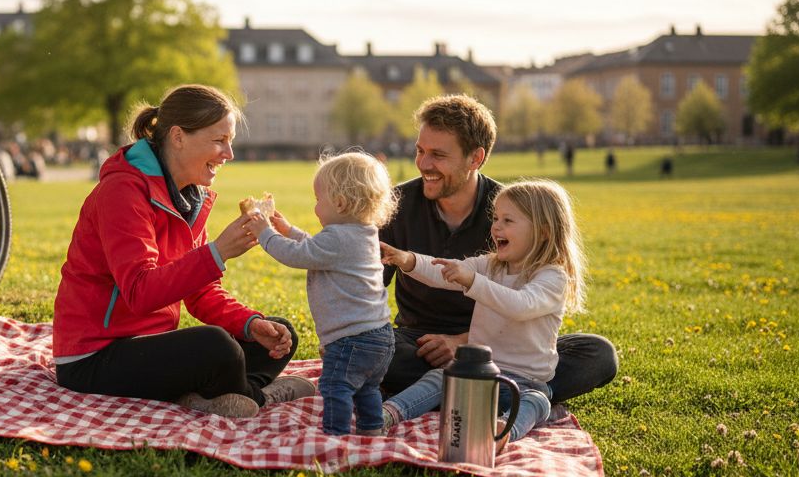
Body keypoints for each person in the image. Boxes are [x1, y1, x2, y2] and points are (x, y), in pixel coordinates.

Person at [53, 84, 315, 418]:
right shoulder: (122, 191)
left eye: (230, 141)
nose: (229, 154)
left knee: (277, 334)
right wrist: (217, 253)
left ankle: (204, 397)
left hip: (147, 347)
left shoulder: (189, 197)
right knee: (217, 347)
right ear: (178, 137)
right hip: (92, 357)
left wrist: (249, 324)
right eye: (219, 141)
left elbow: (200, 294)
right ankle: (260, 397)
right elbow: (139, 291)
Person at [378, 94, 617, 413]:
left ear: (475, 158)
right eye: (420, 151)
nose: (424, 164)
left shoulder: (511, 215)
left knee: (598, 353)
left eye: (438, 155)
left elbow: (528, 303)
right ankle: (511, 397)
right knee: (376, 348)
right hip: (418, 342)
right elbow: (369, 283)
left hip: (501, 346)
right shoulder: (395, 205)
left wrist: (464, 341)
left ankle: (494, 391)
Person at [379, 180, 585, 444]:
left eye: (508, 220)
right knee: (440, 378)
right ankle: (388, 413)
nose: (496, 226)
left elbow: (520, 306)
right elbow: (445, 272)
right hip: (478, 375)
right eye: (496, 218)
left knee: (538, 401)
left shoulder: (552, 276)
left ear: (544, 231)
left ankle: (501, 431)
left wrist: (472, 282)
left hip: (525, 383)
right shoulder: (492, 265)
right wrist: (408, 260)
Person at [247, 152, 398, 435]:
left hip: (351, 339)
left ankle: (335, 434)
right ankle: (372, 430)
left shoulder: (338, 238)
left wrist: (265, 233)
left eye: (319, 200)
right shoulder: (362, 233)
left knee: (334, 386)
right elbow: (317, 249)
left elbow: (300, 254)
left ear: (339, 202)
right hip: (380, 337)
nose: (316, 207)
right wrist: (289, 230)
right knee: (367, 389)